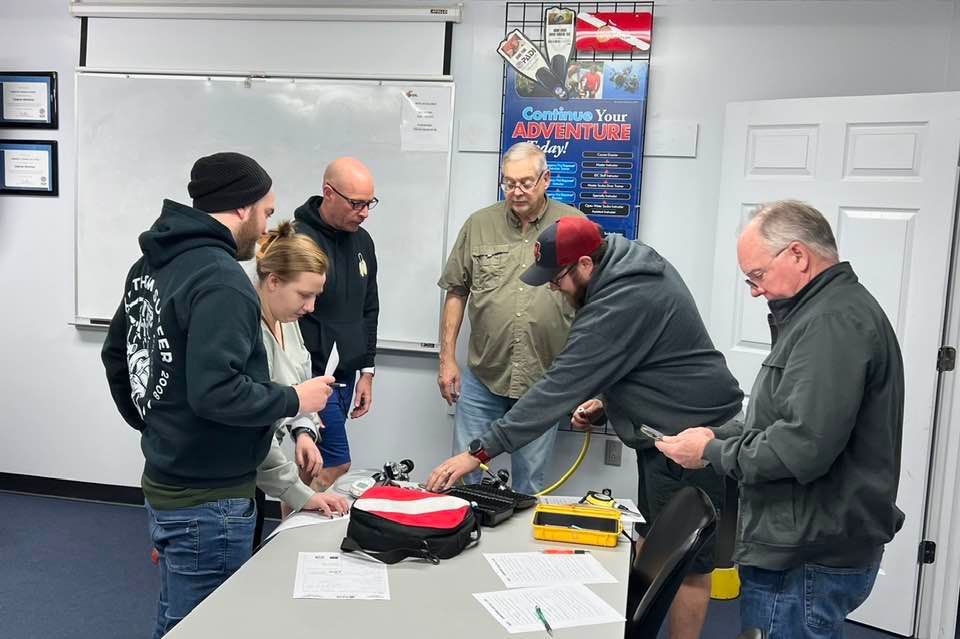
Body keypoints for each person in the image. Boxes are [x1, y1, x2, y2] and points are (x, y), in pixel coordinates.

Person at [427, 216, 743, 639]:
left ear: (585, 266)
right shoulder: (624, 264)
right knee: (654, 542)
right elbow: (647, 356)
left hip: (692, 437)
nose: (553, 288)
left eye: (557, 279)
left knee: (686, 565)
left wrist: (478, 452)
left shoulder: (621, 298)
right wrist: (610, 402)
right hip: (665, 432)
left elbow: (559, 385)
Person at [101, 152, 336, 638]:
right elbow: (218, 394)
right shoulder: (222, 278)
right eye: (267, 212)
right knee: (208, 625)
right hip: (210, 497)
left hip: (168, 477)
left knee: (178, 618)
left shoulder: (150, 264)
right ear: (243, 208)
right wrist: (294, 401)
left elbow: (116, 357)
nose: (268, 223)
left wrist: (156, 425)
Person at [656, 200, 905, 639]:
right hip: (808, 542)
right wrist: (717, 434)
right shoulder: (822, 313)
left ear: (797, 255)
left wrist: (712, 451)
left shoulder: (832, 322)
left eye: (756, 275)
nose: (754, 290)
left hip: (806, 555)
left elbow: (801, 448)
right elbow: (785, 418)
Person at [436, 142, 584, 495]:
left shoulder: (574, 226)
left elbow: (590, 302)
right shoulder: (479, 224)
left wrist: (582, 379)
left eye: (526, 182)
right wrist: (446, 360)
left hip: (543, 379)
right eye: (509, 183)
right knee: (462, 473)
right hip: (483, 375)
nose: (516, 191)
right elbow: (456, 290)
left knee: (528, 483)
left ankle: (514, 552)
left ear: (546, 179)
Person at [253, 222, 350, 528]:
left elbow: (300, 387)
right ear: (273, 281)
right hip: (236, 472)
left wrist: (303, 433)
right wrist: (299, 494)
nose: (310, 307)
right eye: (304, 295)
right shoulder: (249, 331)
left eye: (316, 296)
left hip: (254, 470)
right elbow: (252, 428)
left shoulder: (286, 320)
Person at [294, 157, 379, 491]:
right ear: (328, 193)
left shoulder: (363, 241)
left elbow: (369, 307)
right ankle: (291, 529)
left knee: (312, 467)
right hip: (311, 376)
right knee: (336, 461)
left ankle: (289, 533)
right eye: (356, 203)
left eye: (369, 203)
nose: (364, 212)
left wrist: (367, 373)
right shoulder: (300, 241)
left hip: (345, 373)